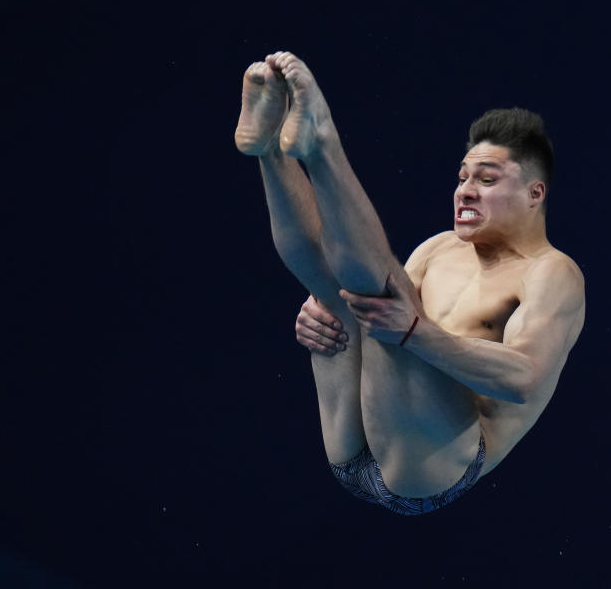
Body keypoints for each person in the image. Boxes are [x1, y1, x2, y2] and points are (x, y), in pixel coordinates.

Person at [235, 51, 585, 515]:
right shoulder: (441, 248)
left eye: (487, 178)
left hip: (435, 470)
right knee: (339, 293)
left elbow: (525, 377)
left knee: (385, 299)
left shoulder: (552, 272)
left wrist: (416, 334)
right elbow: (361, 294)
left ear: (534, 194)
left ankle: (321, 142)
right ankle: (271, 152)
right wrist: (319, 311)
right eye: (463, 177)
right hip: (352, 448)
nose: (465, 190)